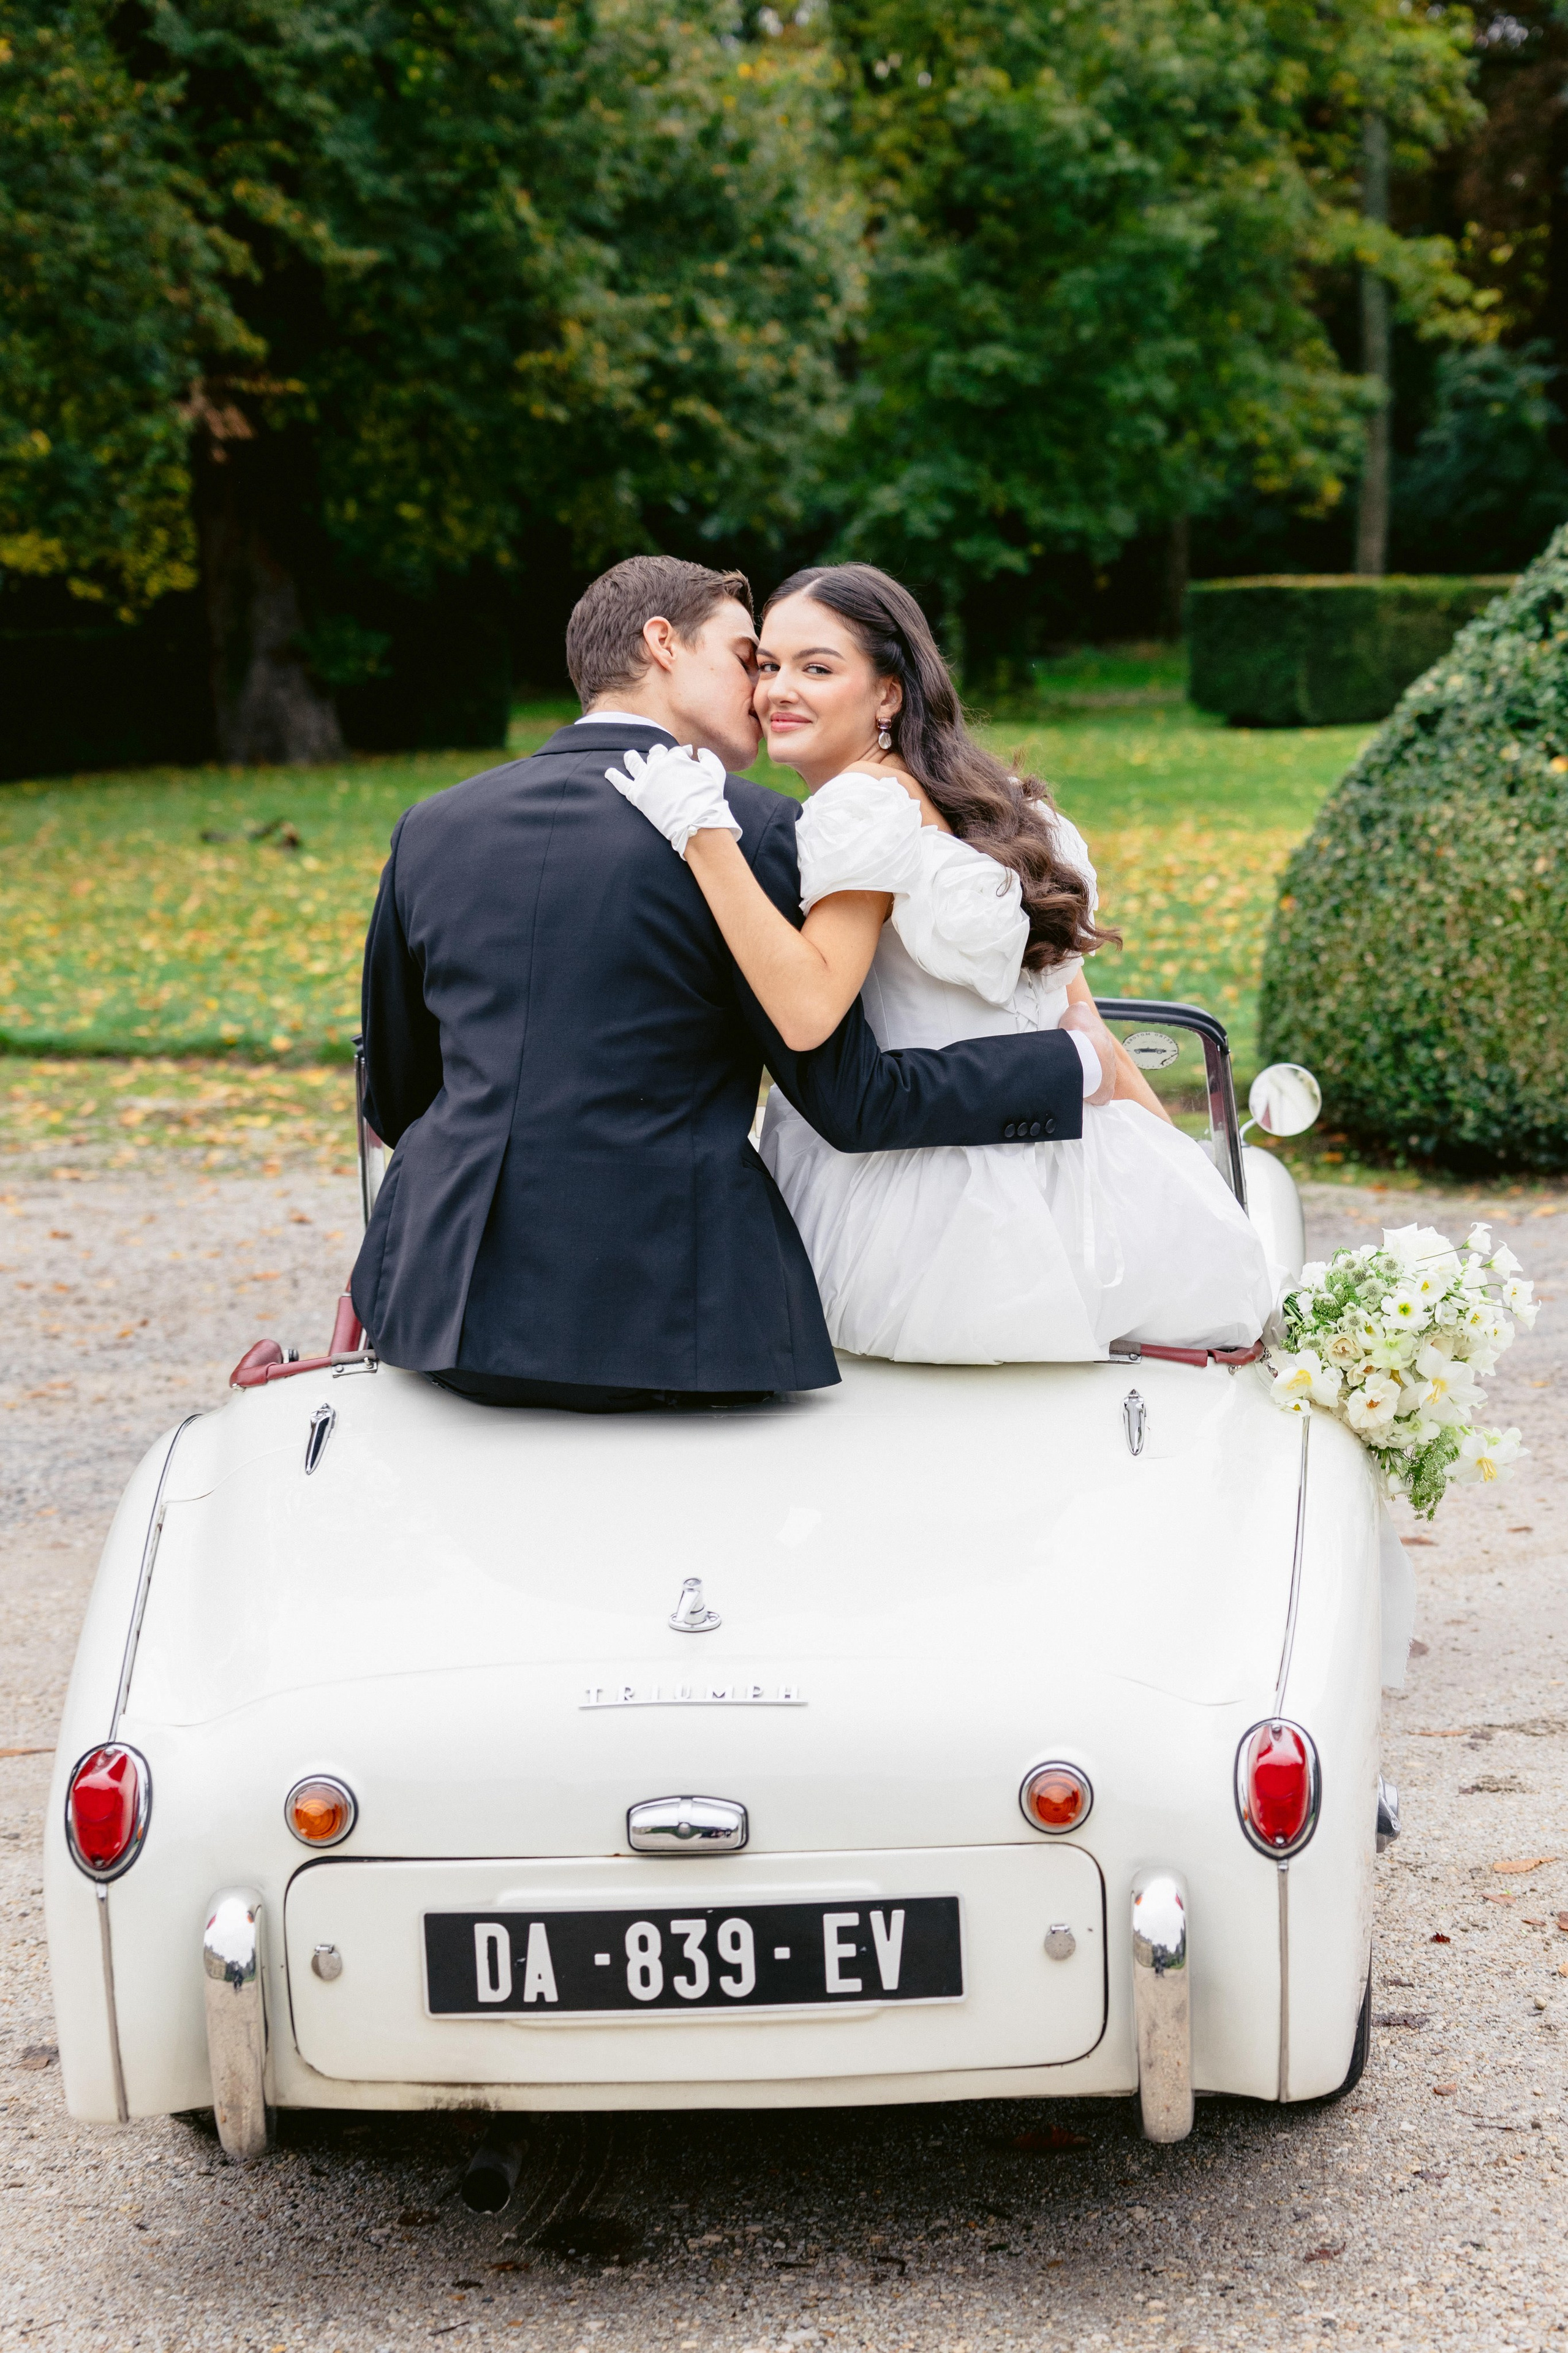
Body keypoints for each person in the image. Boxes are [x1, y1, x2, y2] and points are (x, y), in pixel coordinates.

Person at [350, 556, 1114, 1408]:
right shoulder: (758, 829)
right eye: (750, 659)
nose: (762, 690)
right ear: (663, 644)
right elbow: (849, 1098)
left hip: (443, 1312)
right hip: (673, 1322)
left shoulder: (433, 826)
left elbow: (398, 1093)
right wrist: (1072, 1062)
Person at [609, 562, 1275, 1362]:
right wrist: (1192, 1196)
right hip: (1075, 1170)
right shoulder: (1011, 807)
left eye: (817, 668)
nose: (778, 690)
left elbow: (808, 1012)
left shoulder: (859, 804)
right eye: (768, 666)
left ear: (888, 694)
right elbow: (1090, 1036)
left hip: (928, 1208)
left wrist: (703, 836)